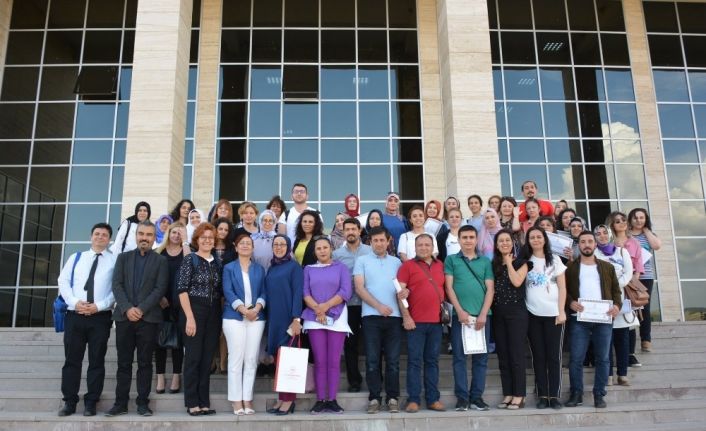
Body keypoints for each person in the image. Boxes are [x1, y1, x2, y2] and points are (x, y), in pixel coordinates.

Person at [107, 220, 168, 417]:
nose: (144, 238)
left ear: (153, 238)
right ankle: (120, 404)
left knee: (144, 364)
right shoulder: (123, 258)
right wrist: (127, 308)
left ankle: (143, 403)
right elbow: (116, 285)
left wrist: (140, 309)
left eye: (149, 235)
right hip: (124, 319)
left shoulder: (161, 261)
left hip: (148, 319)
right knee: (123, 363)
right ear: (136, 235)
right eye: (141, 234)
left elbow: (160, 289)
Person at [57, 222, 116, 417]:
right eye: (97, 234)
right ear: (91, 236)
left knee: (96, 361)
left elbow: (116, 289)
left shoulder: (114, 261)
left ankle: (91, 402)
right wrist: (75, 302)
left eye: (104, 235)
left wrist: (98, 305)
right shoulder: (76, 258)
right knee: (72, 360)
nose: (100, 237)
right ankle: (69, 402)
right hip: (75, 316)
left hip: (100, 317)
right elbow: (63, 281)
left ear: (109, 239)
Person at [564, 231, 622, 409]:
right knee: (576, 359)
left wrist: (617, 307)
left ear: (595, 245)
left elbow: (616, 292)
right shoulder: (570, 268)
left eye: (590, 241)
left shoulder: (607, 267)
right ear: (578, 246)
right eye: (583, 242)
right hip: (578, 320)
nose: (587, 244)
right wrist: (571, 302)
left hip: (603, 319)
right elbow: (563, 290)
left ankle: (599, 394)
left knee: (603, 358)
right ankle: (576, 393)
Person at [444, 225, 494, 411]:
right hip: (460, 317)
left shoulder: (485, 261)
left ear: (476, 239)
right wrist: (460, 311)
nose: (468, 240)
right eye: (464, 237)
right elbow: (449, 288)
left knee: (481, 359)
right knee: (459, 358)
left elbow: (490, 288)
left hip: (482, 317)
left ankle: (476, 398)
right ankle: (462, 398)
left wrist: (483, 314)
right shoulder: (451, 260)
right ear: (459, 239)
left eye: (471, 237)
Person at [353, 227, 403, 414]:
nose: (379, 243)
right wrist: (379, 306)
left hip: (394, 318)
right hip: (370, 317)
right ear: (370, 242)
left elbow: (401, 288)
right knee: (372, 360)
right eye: (375, 241)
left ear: (388, 241)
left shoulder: (397, 262)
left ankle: (392, 398)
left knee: (393, 361)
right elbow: (359, 288)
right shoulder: (362, 261)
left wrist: (405, 294)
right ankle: (374, 397)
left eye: (382, 240)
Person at [396, 234, 446, 413]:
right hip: (415, 323)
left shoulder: (441, 265)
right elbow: (400, 293)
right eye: (420, 245)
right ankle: (413, 399)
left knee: (432, 361)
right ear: (414, 247)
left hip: (436, 322)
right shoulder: (407, 266)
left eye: (427, 244)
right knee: (415, 362)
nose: (424, 247)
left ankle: (433, 399)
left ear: (433, 246)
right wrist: (406, 317)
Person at [302, 237, 352, 414]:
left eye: (325, 247)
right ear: (314, 251)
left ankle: (332, 399)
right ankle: (320, 399)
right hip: (314, 318)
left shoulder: (341, 268)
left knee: (333, 361)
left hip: (337, 319)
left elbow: (345, 291)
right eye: (318, 248)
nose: (322, 251)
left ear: (331, 249)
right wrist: (318, 309)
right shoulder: (308, 269)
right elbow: (305, 293)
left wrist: (325, 307)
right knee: (320, 361)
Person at [177, 223, 223, 416]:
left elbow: (220, 292)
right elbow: (182, 290)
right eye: (203, 237)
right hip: (194, 310)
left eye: (210, 238)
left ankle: (204, 402)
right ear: (197, 240)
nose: (207, 240)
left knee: (206, 360)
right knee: (193, 358)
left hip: (213, 312)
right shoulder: (190, 260)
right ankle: (192, 402)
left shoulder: (217, 263)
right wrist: (189, 318)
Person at [222, 234, 266, 415]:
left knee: (251, 360)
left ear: (253, 248)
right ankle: (236, 400)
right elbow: (228, 291)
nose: (246, 245)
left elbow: (264, 291)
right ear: (236, 246)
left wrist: (256, 308)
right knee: (236, 359)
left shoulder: (259, 269)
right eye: (242, 243)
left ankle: (247, 398)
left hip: (256, 318)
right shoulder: (228, 268)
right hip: (234, 317)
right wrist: (243, 310)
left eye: (249, 243)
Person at [523, 226, 567, 409]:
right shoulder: (525, 261)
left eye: (539, 237)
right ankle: (542, 395)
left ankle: (554, 396)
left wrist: (561, 310)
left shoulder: (555, 259)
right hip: (532, 314)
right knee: (538, 356)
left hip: (554, 315)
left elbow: (563, 288)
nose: (535, 240)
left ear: (544, 239)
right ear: (528, 241)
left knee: (554, 356)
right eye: (532, 237)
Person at [264, 235, 304, 415]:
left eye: (282, 244)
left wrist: (297, 319)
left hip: (288, 319)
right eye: (276, 244)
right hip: (274, 319)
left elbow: (298, 293)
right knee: (278, 361)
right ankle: (282, 397)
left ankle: (289, 400)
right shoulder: (272, 268)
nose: (279, 247)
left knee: (288, 361)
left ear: (288, 247)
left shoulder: (294, 267)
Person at [333, 218, 372, 393]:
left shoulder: (370, 251)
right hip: (348, 305)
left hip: (370, 303)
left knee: (374, 343)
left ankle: (375, 380)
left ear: (359, 230)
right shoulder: (337, 255)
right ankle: (354, 381)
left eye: (353, 229)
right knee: (351, 345)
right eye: (346, 229)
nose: (350, 232)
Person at [491, 229, 529, 410]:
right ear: (496, 245)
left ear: (512, 243)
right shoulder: (493, 265)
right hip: (498, 314)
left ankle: (519, 394)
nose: (504, 243)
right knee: (503, 356)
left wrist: (509, 262)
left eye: (507, 240)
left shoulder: (523, 262)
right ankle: (508, 393)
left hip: (517, 314)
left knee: (516, 355)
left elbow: (516, 282)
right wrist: (503, 263)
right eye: (500, 241)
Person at [593, 224, 633, 386]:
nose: (602, 236)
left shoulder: (622, 252)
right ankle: (607, 375)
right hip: (601, 300)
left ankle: (622, 374)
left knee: (622, 338)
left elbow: (628, 273)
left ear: (609, 235)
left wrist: (615, 286)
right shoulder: (594, 254)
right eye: (598, 234)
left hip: (620, 297)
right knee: (604, 340)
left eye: (604, 233)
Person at [154, 222, 191, 395]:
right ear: (168, 233)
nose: (176, 235)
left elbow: (191, 263)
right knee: (159, 341)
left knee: (178, 341)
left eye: (180, 233)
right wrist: (158, 297)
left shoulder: (185, 252)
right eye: (174, 232)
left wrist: (186, 242)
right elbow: (151, 278)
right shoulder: (158, 252)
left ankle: (177, 375)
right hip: (160, 301)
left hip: (180, 302)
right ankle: (160, 376)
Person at [608, 211, 645, 367]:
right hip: (611, 286)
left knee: (629, 320)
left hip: (629, 285)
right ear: (612, 224)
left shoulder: (633, 242)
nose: (621, 223)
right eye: (617, 221)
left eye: (623, 220)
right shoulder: (609, 242)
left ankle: (630, 354)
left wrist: (632, 280)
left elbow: (639, 265)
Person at [628, 208, 661, 355]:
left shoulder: (648, 235)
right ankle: (630, 341)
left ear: (645, 219)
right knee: (630, 308)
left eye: (642, 218)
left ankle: (646, 339)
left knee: (644, 308)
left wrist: (647, 231)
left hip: (645, 277)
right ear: (630, 220)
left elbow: (656, 246)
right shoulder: (627, 235)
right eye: (635, 218)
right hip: (629, 277)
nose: (638, 220)